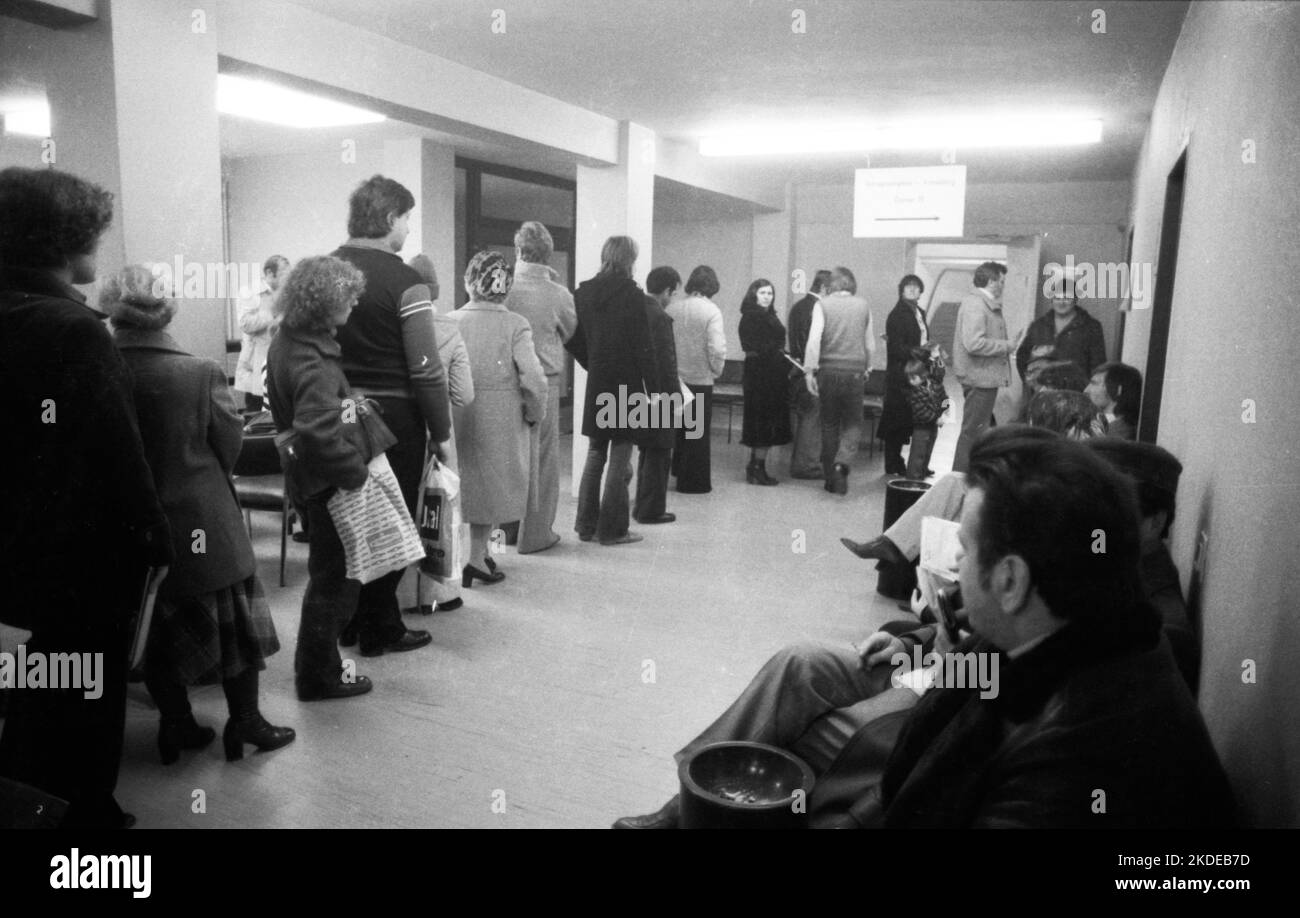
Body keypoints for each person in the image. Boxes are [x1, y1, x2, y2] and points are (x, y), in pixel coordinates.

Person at [614, 428, 1234, 828]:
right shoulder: (1078, 624)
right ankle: (692, 809)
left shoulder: (1075, 766)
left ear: (1012, 581)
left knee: (829, 729)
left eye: (965, 550)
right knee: (801, 666)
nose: (952, 567)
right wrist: (917, 650)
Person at [0, 167, 172, 829]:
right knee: (86, 696)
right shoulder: (74, 329)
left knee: (32, 687)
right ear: (63, 237)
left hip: (13, 556)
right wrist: (155, 539)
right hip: (78, 558)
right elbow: (116, 455)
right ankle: (87, 819)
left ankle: (34, 799)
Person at [106, 266, 295, 764]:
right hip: (204, 525)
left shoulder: (98, 369)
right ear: (166, 311)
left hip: (131, 529)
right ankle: (246, 723)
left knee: (160, 635)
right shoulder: (199, 372)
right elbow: (229, 448)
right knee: (236, 630)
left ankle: (177, 725)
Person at [332, 175, 446, 657]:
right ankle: (383, 625)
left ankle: (352, 622)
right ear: (388, 219)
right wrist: (442, 434)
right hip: (393, 417)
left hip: (336, 411)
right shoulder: (406, 281)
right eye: (406, 218)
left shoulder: (324, 269)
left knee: (347, 519)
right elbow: (426, 370)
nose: (407, 228)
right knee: (394, 519)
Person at [265, 255, 376, 702]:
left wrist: (348, 403)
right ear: (323, 303)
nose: (352, 306)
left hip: (307, 480)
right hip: (327, 483)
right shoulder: (312, 357)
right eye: (347, 298)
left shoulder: (289, 341)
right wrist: (356, 472)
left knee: (327, 577)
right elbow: (316, 428)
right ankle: (318, 676)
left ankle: (320, 669)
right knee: (335, 580)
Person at [841, 388, 1102, 566]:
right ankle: (902, 552)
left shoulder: (1079, 450)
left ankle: (910, 557)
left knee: (960, 497)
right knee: (957, 485)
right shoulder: (1078, 439)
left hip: (1034, 525)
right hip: (1029, 512)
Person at [450, 251, 547, 581]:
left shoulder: (451, 320)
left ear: (470, 281)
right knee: (495, 486)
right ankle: (477, 559)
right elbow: (533, 377)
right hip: (502, 417)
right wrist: (535, 413)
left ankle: (477, 554)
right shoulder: (515, 324)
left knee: (467, 483)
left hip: (459, 413)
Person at [567, 236, 660, 543]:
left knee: (596, 454)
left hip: (599, 382)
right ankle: (612, 529)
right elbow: (643, 346)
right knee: (621, 456)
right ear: (629, 259)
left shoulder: (583, 292)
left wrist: (592, 362)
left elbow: (573, 338)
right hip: (628, 384)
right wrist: (655, 389)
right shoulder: (632, 295)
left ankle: (585, 525)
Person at [406, 254, 475, 614]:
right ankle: (439, 595)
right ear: (434, 291)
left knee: (405, 509)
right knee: (441, 509)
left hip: (401, 430)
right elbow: (464, 394)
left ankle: (401, 595)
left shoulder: (391, 326)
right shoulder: (448, 329)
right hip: (440, 430)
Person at [503, 221, 577, 553]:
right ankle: (537, 535)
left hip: (504, 383)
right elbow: (571, 332)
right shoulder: (559, 294)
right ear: (548, 255)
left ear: (518, 250)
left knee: (506, 459)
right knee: (543, 463)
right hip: (545, 381)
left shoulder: (502, 286)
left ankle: (503, 534)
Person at [803, 266, 875, 495]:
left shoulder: (822, 305)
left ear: (831, 285)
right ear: (852, 284)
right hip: (854, 372)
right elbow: (870, 343)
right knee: (853, 422)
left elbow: (814, 340)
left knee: (829, 424)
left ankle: (829, 477)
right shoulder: (863, 306)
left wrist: (809, 372)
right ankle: (841, 463)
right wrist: (868, 366)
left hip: (828, 371)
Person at [666, 265, 726, 494]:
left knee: (678, 430)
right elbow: (717, 349)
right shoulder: (712, 311)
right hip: (700, 379)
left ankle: (677, 470)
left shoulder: (673, 308)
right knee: (696, 434)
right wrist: (716, 371)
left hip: (675, 379)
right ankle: (693, 482)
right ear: (712, 286)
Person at [951, 261, 1015, 473]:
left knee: (975, 431)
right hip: (980, 377)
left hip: (982, 376)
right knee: (972, 433)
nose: (1003, 286)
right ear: (991, 281)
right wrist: (1007, 346)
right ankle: (960, 479)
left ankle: (966, 477)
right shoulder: (977, 304)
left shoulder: (980, 303)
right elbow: (973, 343)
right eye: (1001, 281)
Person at [636, 266, 681, 524]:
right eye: (672, 294)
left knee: (646, 449)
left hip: (637, 390)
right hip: (660, 394)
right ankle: (651, 509)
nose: (670, 299)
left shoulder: (635, 309)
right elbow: (667, 362)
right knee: (660, 451)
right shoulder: (660, 317)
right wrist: (675, 397)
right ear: (666, 290)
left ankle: (642, 505)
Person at [738, 278, 792, 485]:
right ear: (754, 294)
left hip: (767, 373)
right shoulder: (753, 317)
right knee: (763, 422)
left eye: (770, 293)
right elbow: (758, 347)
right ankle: (757, 468)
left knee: (762, 421)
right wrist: (782, 357)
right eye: (763, 293)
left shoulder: (763, 315)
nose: (767, 297)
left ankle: (755, 465)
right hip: (763, 375)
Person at [879, 274, 930, 476]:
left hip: (916, 371)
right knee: (896, 420)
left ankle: (910, 463)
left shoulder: (919, 312)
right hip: (901, 374)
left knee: (906, 419)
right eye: (908, 286)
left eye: (916, 287)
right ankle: (893, 462)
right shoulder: (898, 314)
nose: (912, 289)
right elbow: (896, 348)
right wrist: (917, 351)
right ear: (901, 290)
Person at [1015, 274, 1107, 384]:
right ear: (1051, 300)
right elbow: (1022, 356)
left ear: (1076, 299)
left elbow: (1099, 364)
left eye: (1067, 298)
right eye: (1057, 298)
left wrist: (1090, 390)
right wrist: (1029, 382)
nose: (1061, 302)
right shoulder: (1038, 326)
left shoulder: (1091, 327)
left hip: (1076, 391)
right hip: (1042, 391)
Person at [787, 269, 831, 479]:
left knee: (804, 417)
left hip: (796, 368)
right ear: (823, 288)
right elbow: (812, 343)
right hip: (812, 369)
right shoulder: (818, 308)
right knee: (812, 419)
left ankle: (802, 462)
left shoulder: (797, 307)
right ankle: (806, 465)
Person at [234, 255, 290, 411]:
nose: (288, 277)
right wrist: (272, 313)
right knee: (256, 416)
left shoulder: (286, 294)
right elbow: (245, 324)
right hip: (257, 364)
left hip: (280, 362)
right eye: (285, 273)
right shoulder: (249, 292)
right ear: (270, 273)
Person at [902, 352, 948, 481]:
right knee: (918, 455)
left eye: (913, 378)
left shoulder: (935, 385)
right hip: (921, 428)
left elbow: (945, 399)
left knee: (927, 452)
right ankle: (913, 478)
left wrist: (944, 411)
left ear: (923, 375)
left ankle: (921, 475)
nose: (911, 382)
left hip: (933, 426)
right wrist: (936, 419)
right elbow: (921, 412)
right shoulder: (914, 393)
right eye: (909, 379)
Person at [1085, 361, 1142, 440]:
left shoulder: (1119, 433)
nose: (1086, 390)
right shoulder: (1095, 423)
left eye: (1094, 383)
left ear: (1116, 390)